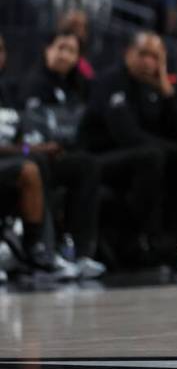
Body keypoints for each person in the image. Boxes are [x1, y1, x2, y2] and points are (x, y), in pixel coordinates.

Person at [78, 32, 177, 266]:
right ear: (128, 53)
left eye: (156, 57)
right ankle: (145, 241)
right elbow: (128, 136)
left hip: (142, 156)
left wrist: (167, 92)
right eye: (143, 54)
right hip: (98, 159)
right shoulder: (110, 82)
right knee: (155, 157)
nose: (149, 62)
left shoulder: (154, 86)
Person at [19, 30, 105, 278]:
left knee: (89, 165)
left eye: (71, 51)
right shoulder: (34, 82)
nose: (65, 55)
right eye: (60, 48)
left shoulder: (79, 86)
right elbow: (28, 131)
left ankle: (83, 253)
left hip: (66, 155)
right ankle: (45, 251)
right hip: (34, 153)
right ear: (47, 50)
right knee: (39, 165)